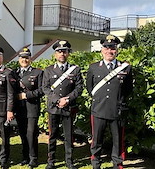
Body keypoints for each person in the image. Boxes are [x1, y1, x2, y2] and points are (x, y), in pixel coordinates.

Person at [87, 35, 133, 169]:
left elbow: (128, 89)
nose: (109, 51)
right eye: (106, 48)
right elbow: (90, 88)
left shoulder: (125, 68)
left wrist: (119, 101)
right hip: (99, 109)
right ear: (102, 50)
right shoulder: (93, 67)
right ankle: (96, 163)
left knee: (117, 140)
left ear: (116, 50)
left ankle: (117, 163)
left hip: (117, 110)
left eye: (112, 48)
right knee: (96, 140)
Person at [42, 40, 83, 169]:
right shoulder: (48, 70)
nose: (62, 54)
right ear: (55, 54)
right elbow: (45, 88)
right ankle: (51, 161)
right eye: (59, 51)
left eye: (64, 51)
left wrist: (68, 99)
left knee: (69, 135)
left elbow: (79, 87)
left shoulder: (75, 70)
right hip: (54, 107)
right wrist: (57, 100)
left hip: (68, 107)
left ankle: (69, 161)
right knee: (52, 135)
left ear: (68, 53)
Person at [14, 48, 43, 168]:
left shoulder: (38, 73)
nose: (24, 60)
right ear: (19, 59)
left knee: (31, 133)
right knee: (22, 133)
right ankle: (25, 156)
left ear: (30, 59)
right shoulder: (14, 73)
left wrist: (27, 95)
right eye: (22, 58)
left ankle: (33, 158)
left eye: (26, 57)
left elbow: (42, 90)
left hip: (32, 107)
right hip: (19, 108)